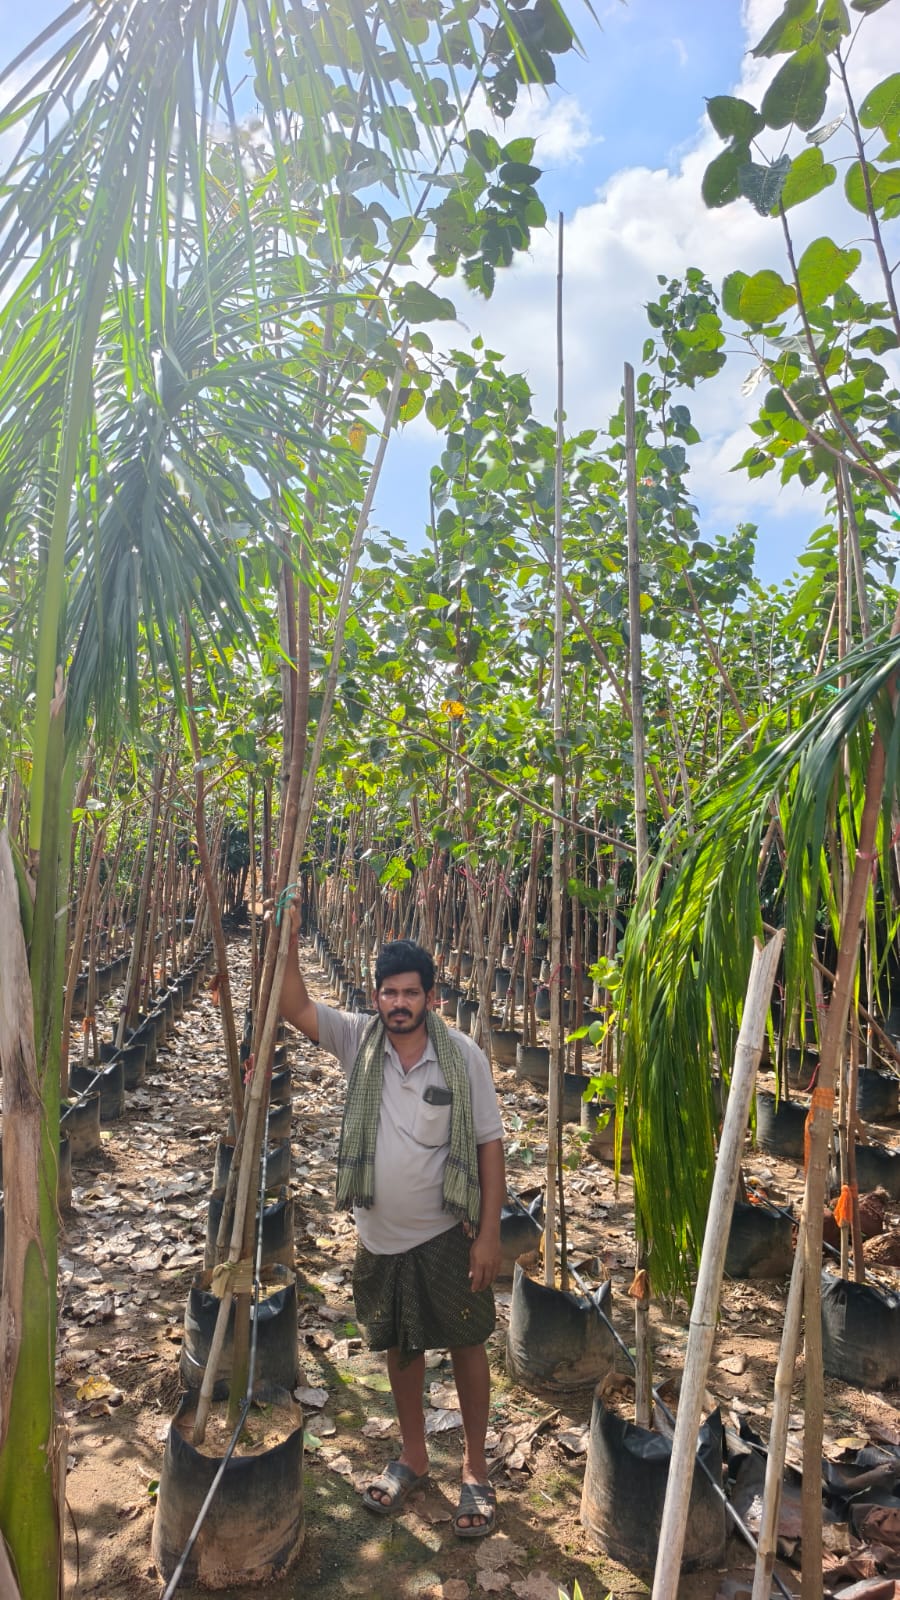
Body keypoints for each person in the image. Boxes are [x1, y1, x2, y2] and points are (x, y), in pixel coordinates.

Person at [281, 931, 505, 1538]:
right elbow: (294, 1004)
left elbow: (489, 1146)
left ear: (431, 996)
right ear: (375, 996)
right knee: (401, 1347)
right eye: (389, 992)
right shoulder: (359, 1040)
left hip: (447, 1233)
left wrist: (489, 1234)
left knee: (466, 1342)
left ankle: (476, 1468)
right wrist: (289, 934)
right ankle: (414, 1454)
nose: (399, 1003)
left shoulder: (463, 1057)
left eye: (410, 992)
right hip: (380, 1236)